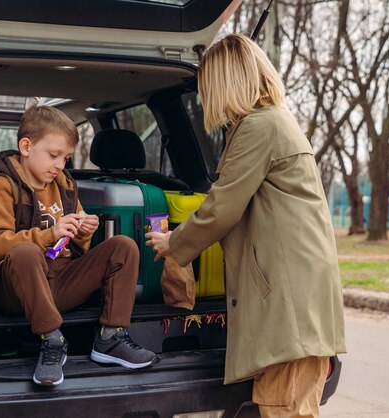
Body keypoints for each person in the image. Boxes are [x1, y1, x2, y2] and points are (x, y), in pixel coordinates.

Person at [145, 34, 346, 417]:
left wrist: (175, 242)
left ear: (225, 82)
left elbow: (223, 206)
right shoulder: (273, 121)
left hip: (289, 308)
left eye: (207, 85)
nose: (206, 96)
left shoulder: (260, 127)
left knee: (281, 406)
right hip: (299, 303)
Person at [0, 105, 156, 386]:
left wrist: (82, 230)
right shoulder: (3, 184)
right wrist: (50, 233)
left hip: (61, 281)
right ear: (26, 146)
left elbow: (78, 245)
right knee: (25, 252)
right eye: (54, 155)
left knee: (123, 246)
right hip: (18, 288)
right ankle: (52, 340)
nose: (59, 165)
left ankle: (110, 338)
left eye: (66, 158)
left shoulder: (65, 184)